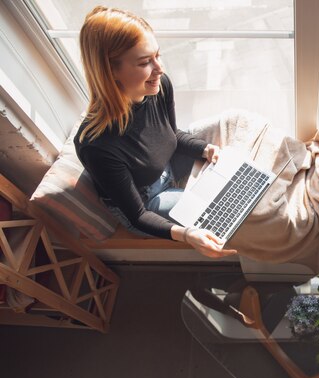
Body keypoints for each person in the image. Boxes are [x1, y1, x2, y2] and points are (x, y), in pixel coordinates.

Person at [74, 6, 236, 258]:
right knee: (226, 211)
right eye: (145, 62)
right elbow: (138, 216)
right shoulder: (97, 145)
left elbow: (171, 135)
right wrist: (187, 234)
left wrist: (205, 149)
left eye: (157, 55)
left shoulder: (158, 87)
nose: (159, 68)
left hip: (163, 165)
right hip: (146, 203)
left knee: (238, 170)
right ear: (110, 71)